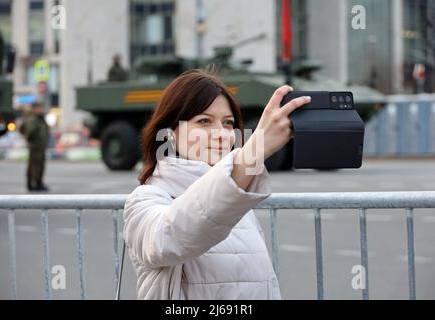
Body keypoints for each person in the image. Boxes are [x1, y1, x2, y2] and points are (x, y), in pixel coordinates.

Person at [123, 69, 311, 299]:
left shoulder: (236, 196)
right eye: (204, 121)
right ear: (170, 133)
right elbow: (169, 238)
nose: (222, 134)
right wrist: (255, 150)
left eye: (228, 123)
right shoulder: (145, 200)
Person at [19, 102, 50, 191]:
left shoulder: (39, 119)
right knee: (34, 167)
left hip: (40, 146)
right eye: (38, 108)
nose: (40, 110)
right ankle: (34, 184)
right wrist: (30, 139)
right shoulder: (33, 119)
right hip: (35, 146)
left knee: (39, 166)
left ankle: (37, 183)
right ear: (34, 109)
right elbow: (29, 132)